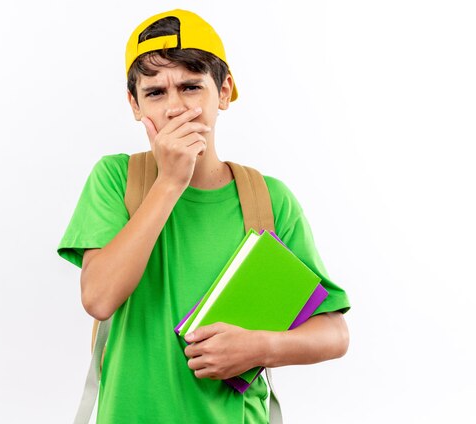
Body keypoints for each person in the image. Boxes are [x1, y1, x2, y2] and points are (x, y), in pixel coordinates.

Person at [58, 9, 350, 423]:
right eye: (155, 93)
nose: (175, 107)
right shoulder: (116, 179)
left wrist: (259, 347)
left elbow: (334, 334)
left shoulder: (268, 199)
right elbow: (99, 298)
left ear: (225, 91)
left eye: (191, 86)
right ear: (134, 105)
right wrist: (169, 183)